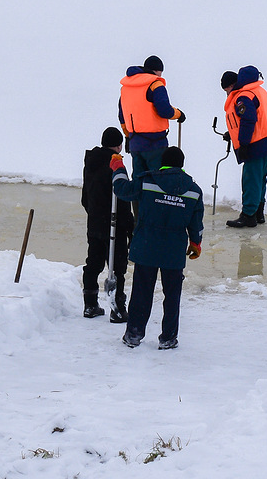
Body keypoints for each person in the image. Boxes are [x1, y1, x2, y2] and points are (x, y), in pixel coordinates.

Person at [111, 146, 204, 349]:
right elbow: (196, 223)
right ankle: (168, 338)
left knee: (141, 293)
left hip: (147, 248)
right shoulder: (194, 190)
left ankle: (134, 334)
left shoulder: (147, 181)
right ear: (181, 165)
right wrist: (195, 243)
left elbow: (121, 190)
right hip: (174, 251)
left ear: (163, 162)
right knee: (172, 297)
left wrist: (118, 168)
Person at [81, 127, 134, 321]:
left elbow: (86, 195)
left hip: (95, 221)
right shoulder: (116, 163)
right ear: (119, 145)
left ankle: (90, 305)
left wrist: (94, 214)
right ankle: (118, 308)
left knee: (93, 262)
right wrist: (130, 226)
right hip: (114, 223)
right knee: (117, 267)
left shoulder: (90, 162)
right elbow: (122, 197)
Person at [222, 65, 267, 228]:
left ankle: (248, 215)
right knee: (260, 179)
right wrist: (231, 134)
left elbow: (248, 120)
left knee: (251, 180)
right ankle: (258, 212)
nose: (227, 92)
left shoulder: (243, 97)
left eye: (227, 88)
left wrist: (244, 143)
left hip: (255, 143)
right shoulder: (259, 91)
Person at [118, 55, 186, 174]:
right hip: (155, 144)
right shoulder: (155, 84)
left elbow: (122, 115)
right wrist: (178, 114)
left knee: (139, 181)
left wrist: (128, 135)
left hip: (135, 142)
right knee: (156, 180)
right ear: (157, 70)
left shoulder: (126, 87)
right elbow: (165, 111)